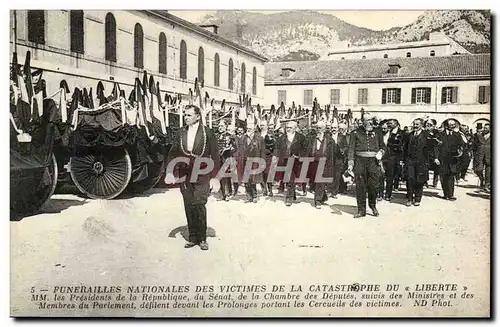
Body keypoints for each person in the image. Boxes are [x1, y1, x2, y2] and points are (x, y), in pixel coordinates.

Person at [165, 105, 220, 251]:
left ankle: (202, 238)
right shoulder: (181, 132)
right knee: (189, 203)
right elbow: (173, 152)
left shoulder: (207, 133)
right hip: (185, 173)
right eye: (185, 115)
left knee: (199, 203)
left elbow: (215, 154)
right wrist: (170, 172)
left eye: (189, 115)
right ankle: (193, 237)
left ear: (197, 116)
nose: (185, 117)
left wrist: (215, 178)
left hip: (202, 172)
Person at [347, 114, 386, 218]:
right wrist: (350, 164)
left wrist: (381, 153)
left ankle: (373, 206)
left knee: (373, 186)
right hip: (360, 162)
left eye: (370, 120)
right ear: (362, 121)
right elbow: (351, 149)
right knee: (360, 186)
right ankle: (361, 210)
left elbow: (383, 146)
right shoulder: (355, 133)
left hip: (373, 162)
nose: (369, 122)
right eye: (367, 120)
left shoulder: (378, 132)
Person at [273, 120, 308, 207]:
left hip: (296, 162)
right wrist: (275, 156)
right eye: (287, 127)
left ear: (295, 128)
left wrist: (299, 155)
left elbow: (306, 149)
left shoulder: (301, 138)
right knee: (289, 179)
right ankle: (289, 197)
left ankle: (291, 196)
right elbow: (277, 148)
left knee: (291, 179)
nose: (288, 129)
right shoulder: (281, 138)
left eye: (290, 128)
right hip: (285, 161)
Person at [402, 118, 435, 206]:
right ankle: (409, 198)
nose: (415, 126)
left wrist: (430, 160)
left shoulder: (426, 135)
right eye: (414, 124)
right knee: (410, 179)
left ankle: (417, 199)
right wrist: (403, 159)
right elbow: (404, 148)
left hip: (422, 162)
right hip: (410, 161)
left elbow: (431, 149)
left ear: (421, 125)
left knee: (419, 181)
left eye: (417, 124)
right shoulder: (409, 135)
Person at [307, 120, 334, 209]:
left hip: (324, 163)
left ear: (324, 129)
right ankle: (323, 196)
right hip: (313, 162)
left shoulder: (329, 140)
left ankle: (317, 200)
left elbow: (331, 154)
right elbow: (308, 150)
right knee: (314, 181)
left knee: (320, 181)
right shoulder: (311, 138)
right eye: (317, 128)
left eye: (320, 128)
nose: (318, 130)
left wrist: (330, 166)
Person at [436, 119, 463, 201]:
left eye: (453, 125)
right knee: (443, 176)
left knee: (451, 176)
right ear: (446, 126)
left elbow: (461, 145)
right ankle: (445, 194)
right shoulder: (440, 134)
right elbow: (436, 147)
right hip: (442, 159)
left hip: (452, 159)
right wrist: (436, 158)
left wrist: (460, 153)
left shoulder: (457, 135)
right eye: (450, 125)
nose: (452, 127)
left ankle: (451, 194)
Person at [242, 120, 265, 203]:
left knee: (253, 179)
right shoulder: (243, 138)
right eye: (247, 128)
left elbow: (262, 151)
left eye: (250, 128)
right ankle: (249, 196)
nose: (248, 130)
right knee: (246, 180)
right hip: (245, 161)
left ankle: (255, 195)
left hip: (255, 161)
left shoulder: (259, 138)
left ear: (254, 129)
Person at [383, 119, 404, 201]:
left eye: (390, 123)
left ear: (396, 124)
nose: (389, 125)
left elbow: (401, 146)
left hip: (394, 157)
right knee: (385, 175)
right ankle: (384, 193)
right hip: (384, 156)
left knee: (391, 175)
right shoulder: (386, 131)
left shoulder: (401, 133)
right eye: (388, 123)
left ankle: (388, 194)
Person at [215, 120, 235, 201]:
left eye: (222, 126)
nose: (220, 128)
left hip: (226, 158)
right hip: (218, 158)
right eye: (219, 126)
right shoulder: (216, 135)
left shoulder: (229, 136)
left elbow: (234, 147)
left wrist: (228, 149)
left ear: (226, 127)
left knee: (226, 177)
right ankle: (221, 194)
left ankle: (227, 194)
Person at [472, 123, 491, 191]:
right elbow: (474, 146)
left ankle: (487, 185)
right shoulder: (478, 136)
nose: (484, 129)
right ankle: (482, 179)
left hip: (489, 156)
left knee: (488, 172)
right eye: (484, 128)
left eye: (486, 128)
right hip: (479, 156)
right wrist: (474, 154)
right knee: (478, 170)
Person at [260, 120, 276, 197]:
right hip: (259, 156)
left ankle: (270, 189)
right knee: (261, 173)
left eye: (263, 125)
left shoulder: (270, 134)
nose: (261, 127)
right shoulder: (258, 134)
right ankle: (264, 189)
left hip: (268, 156)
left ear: (266, 126)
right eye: (261, 125)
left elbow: (274, 145)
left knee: (268, 173)